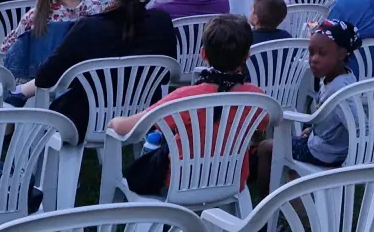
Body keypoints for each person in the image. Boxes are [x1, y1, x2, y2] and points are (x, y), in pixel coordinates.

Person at [18, 0, 177, 141]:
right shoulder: (161, 21)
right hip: (145, 115)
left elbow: (46, 76)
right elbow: (167, 74)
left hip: (85, 118)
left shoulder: (89, 27)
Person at [113, 15, 266, 196]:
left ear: (203, 54)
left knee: (141, 168)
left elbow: (130, 127)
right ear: (247, 56)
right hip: (231, 181)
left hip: (180, 183)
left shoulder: (184, 98)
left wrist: (114, 122)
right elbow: (265, 124)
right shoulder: (257, 97)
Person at [253, 18, 361, 188]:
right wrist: (313, 129)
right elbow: (334, 119)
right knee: (292, 156)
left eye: (322, 54)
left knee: (266, 147)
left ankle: (266, 199)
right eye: (311, 53)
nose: (314, 59)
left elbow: (359, 125)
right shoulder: (344, 76)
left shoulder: (338, 89)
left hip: (325, 153)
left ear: (342, 54)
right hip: (329, 146)